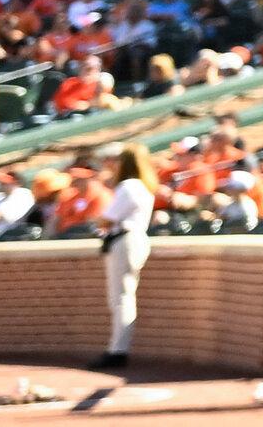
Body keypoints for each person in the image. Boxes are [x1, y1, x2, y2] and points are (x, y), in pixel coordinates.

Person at [98, 141, 159, 369]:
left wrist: (98, 219)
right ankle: (117, 349)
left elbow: (106, 219)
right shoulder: (141, 185)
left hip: (126, 239)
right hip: (132, 239)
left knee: (121, 297)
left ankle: (117, 351)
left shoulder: (130, 185)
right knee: (122, 296)